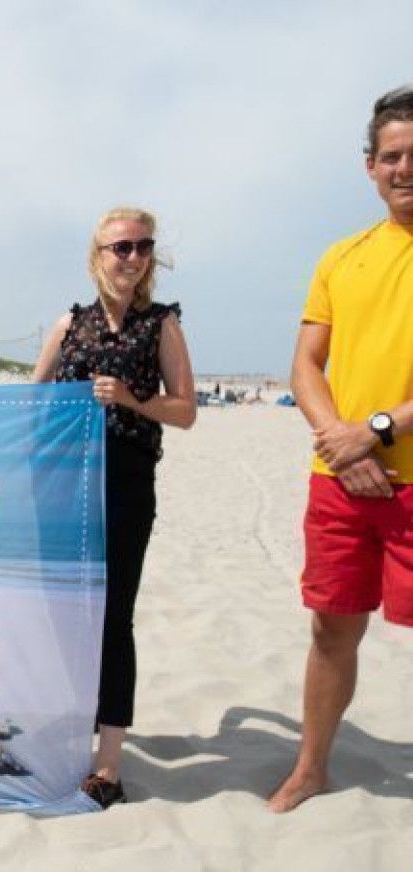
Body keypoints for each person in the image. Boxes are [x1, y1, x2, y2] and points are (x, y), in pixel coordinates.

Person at [271, 85, 413, 813]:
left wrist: (379, 430)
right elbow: (305, 366)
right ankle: (312, 766)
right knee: (332, 628)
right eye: (393, 156)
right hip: (340, 480)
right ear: (370, 166)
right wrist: (342, 443)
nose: (405, 168)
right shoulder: (342, 256)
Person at [31, 206, 196, 808]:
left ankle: (108, 764)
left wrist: (131, 399)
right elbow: (32, 401)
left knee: (113, 619)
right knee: (61, 613)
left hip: (126, 484)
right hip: (64, 485)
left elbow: (186, 410)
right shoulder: (68, 323)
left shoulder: (162, 325)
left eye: (142, 246)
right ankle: (65, 731)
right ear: (97, 255)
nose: (131, 257)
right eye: (120, 247)